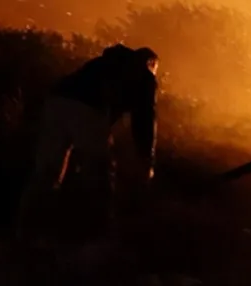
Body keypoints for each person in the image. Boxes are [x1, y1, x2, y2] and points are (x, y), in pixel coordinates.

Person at [17, 44, 159, 241]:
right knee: (100, 171)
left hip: (56, 100)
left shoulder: (105, 63)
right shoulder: (144, 75)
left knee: (48, 172)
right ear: (151, 64)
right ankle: (97, 236)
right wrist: (146, 160)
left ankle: (26, 233)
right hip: (87, 108)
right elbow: (144, 119)